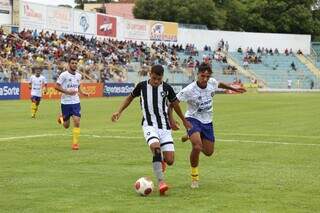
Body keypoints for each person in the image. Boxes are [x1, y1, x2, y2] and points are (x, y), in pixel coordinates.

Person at [111, 64, 192, 196]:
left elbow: (175, 105)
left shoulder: (167, 88)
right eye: (154, 78)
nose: (156, 81)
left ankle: (161, 162)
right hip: (149, 125)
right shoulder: (141, 86)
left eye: (159, 79)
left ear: (162, 77)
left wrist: (182, 120)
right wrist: (118, 111)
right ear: (150, 74)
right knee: (155, 147)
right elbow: (129, 98)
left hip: (165, 127)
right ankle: (161, 183)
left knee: (170, 160)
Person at [171, 63, 246, 188]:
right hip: (192, 119)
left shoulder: (211, 82)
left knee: (208, 152)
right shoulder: (189, 90)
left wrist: (235, 89)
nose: (205, 79)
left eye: (207, 76)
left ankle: (190, 135)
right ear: (197, 74)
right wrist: (174, 120)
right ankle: (194, 178)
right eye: (202, 76)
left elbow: (220, 84)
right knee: (197, 146)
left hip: (207, 121)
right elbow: (173, 102)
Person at [55, 56, 89, 151]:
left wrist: (83, 93)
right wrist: (67, 92)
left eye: (75, 63)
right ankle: (61, 118)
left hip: (75, 102)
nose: (74, 65)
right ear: (69, 64)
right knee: (66, 125)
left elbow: (78, 86)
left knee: (77, 121)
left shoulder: (79, 75)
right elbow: (56, 86)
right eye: (72, 63)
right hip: (65, 102)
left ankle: (75, 144)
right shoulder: (63, 75)